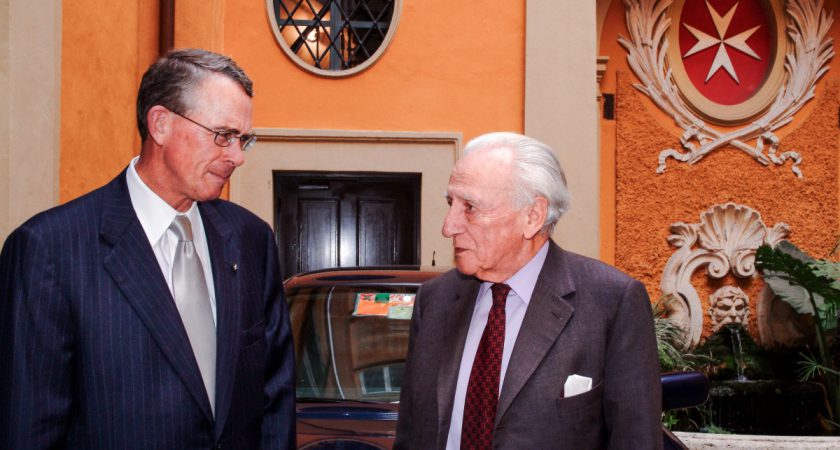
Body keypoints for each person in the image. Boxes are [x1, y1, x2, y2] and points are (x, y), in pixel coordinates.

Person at [0, 49, 295, 449]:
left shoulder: (251, 238)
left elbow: (274, 397)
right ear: (160, 124)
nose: (237, 157)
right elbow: (28, 428)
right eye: (223, 136)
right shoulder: (49, 250)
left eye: (244, 140)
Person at [395, 132, 661, 449]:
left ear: (532, 216)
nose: (448, 226)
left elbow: (637, 441)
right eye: (451, 203)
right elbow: (411, 434)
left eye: (469, 207)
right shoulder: (434, 300)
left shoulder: (611, 302)